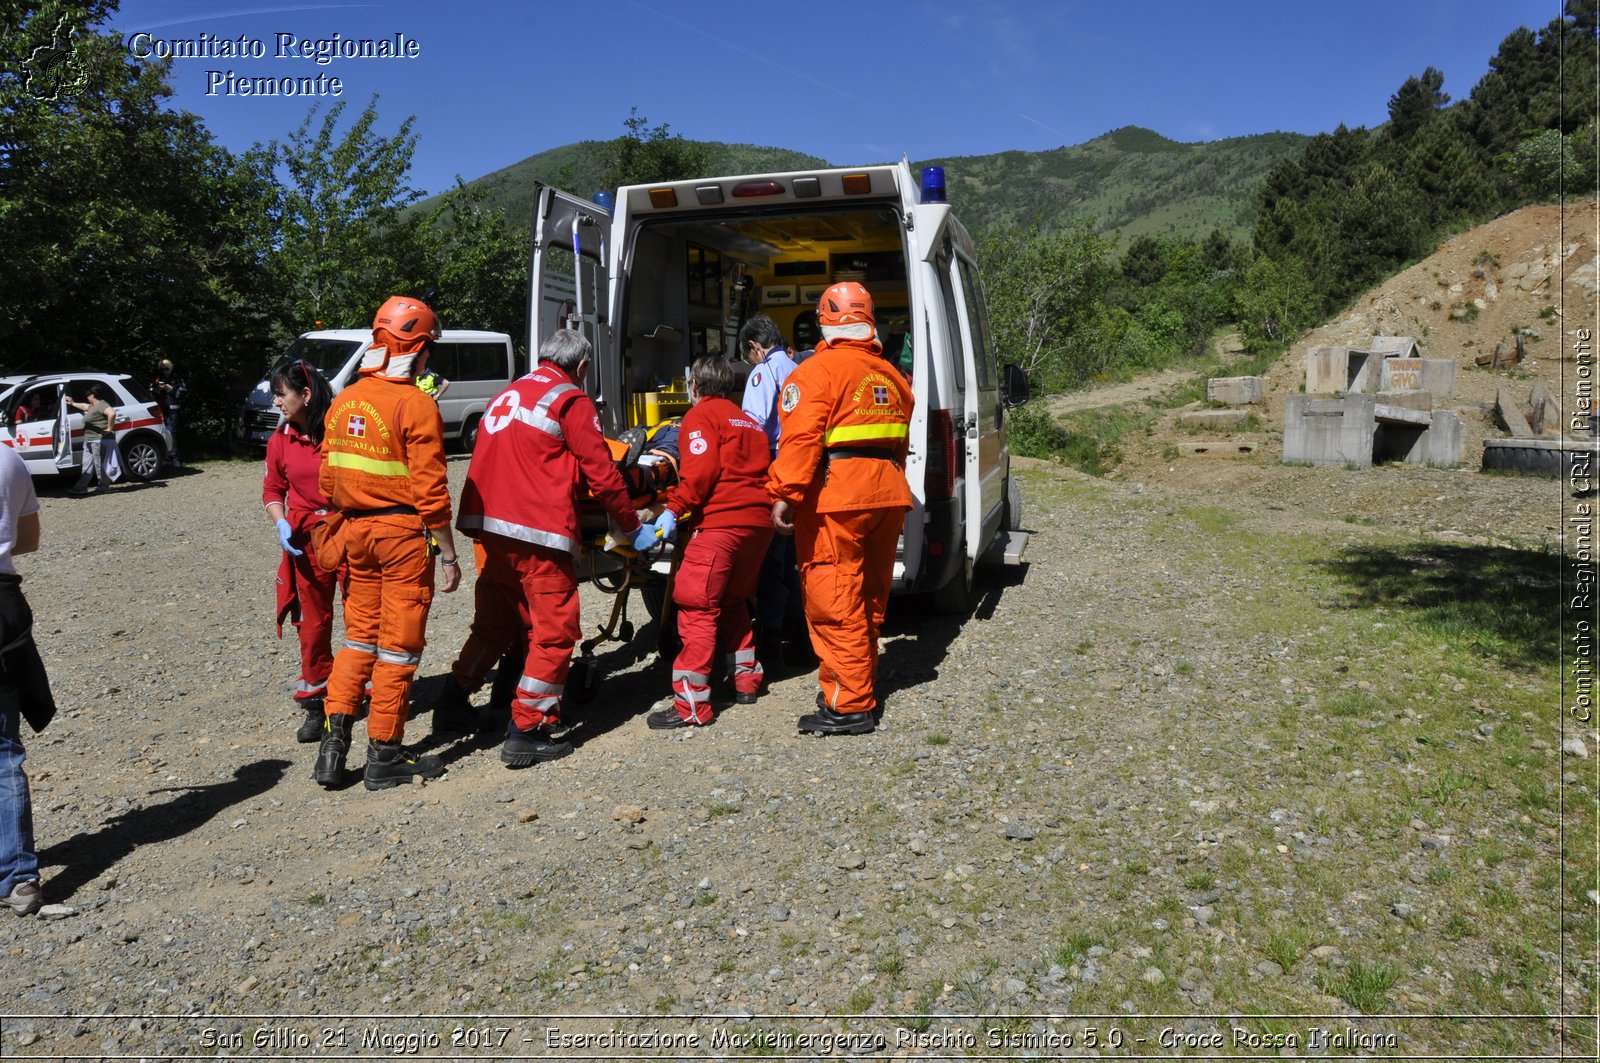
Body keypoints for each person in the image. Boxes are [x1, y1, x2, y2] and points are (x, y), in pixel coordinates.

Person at [440, 329, 644, 766]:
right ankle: (528, 727)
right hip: (536, 531)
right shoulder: (569, 400)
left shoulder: (510, 393)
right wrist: (632, 527)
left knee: (495, 624)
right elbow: (603, 475)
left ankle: (452, 700)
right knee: (554, 631)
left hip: (489, 528)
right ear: (582, 367)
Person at [313, 295, 462, 791]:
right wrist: (449, 554)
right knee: (397, 648)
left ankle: (332, 752)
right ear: (416, 348)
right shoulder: (415, 404)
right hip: (400, 537)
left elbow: (327, 480)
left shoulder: (345, 397)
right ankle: (385, 756)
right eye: (427, 349)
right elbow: (431, 490)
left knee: (358, 640)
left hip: (353, 532)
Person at [767, 282, 912, 736]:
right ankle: (853, 683)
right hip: (887, 492)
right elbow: (901, 440)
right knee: (868, 598)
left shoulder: (816, 372)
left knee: (834, 600)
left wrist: (785, 493)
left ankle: (849, 705)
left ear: (825, 320)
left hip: (837, 500)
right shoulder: (889, 374)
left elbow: (801, 439)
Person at [636, 356, 774, 728]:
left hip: (720, 525)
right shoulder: (749, 422)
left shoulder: (700, 417)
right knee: (733, 601)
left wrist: (673, 507)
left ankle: (692, 706)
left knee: (696, 606)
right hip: (757, 526)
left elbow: (701, 472)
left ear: (693, 385)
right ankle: (746, 681)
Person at [262, 360, 341, 744]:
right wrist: (280, 521)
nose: (275, 401)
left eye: (281, 393)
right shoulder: (280, 440)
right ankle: (316, 701)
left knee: (365, 619)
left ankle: (366, 694)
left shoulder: (344, 431)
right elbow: (272, 490)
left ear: (305, 395)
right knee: (312, 624)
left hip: (349, 535)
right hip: (306, 542)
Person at [0, 444, 54, 915]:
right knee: (3, 749)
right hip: (2, 604)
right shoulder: (9, 460)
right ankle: (19, 877)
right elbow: (29, 540)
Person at [738, 314, 804, 672]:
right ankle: (800, 639)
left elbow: (752, 428)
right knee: (797, 560)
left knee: (772, 561)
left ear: (753, 346)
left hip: (777, 469)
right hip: (804, 469)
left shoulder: (763, 372)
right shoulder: (798, 369)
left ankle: (771, 644)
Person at [66, 383, 116, 496]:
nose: (87, 397)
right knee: (87, 464)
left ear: (93, 395)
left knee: (100, 465)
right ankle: (81, 487)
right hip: (89, 439)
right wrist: (73, 403)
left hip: (98, 440)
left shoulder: (102, 405)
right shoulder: (93, 406)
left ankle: (104, 486)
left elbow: (112, 413)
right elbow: (84, 406)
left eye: (88, 395)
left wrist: (109, 428)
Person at [151, 358, 187, 468]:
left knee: (172, 433)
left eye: (166, 369)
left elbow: (184, 392)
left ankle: (175, 458)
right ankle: (165, 458)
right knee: (162, 433)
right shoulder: (157, 379)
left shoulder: (177, 379)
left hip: (172, 410)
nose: (164, 371)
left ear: (171, 368)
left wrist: (170, 389)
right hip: (159, 410)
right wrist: (158, 389)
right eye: (162, 369)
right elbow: (150, 392)